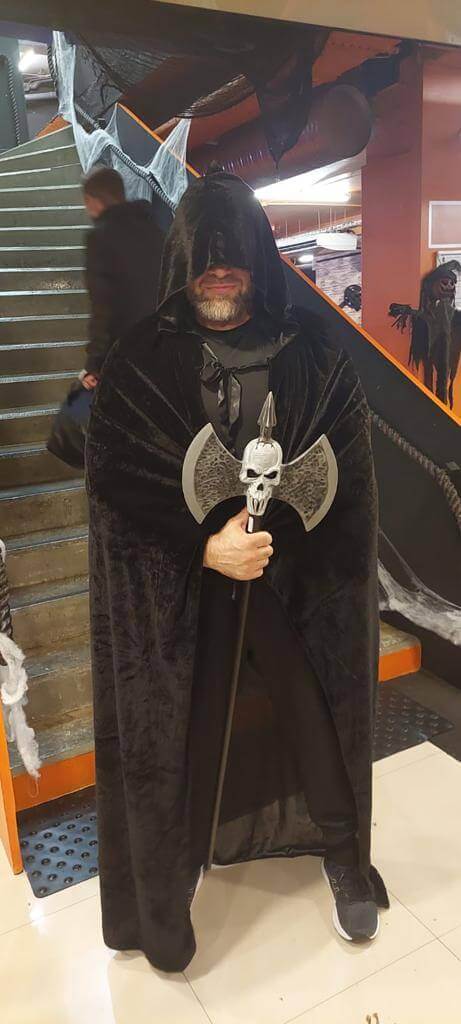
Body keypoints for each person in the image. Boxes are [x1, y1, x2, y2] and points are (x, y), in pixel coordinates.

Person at [85, 167, 388, 973]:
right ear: (182, 261)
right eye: (205, 262)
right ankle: (172, 877)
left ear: (257, 258)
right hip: (188, 591)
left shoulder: (312, 351)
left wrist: (283, 546)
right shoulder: (141, 360)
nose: (219, 275)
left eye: (233, 261)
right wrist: (201, 548)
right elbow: (117, 492)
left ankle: (345, 859)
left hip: (292, 585)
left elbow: (347, 486)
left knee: (314, 715)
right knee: (182, 726)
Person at [81, 166, 164, 388]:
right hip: (160, 345)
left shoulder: (100, 237)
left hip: (123, 351)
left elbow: (102, 306)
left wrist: (94, 363)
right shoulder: (154, 230)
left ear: (93, 200)